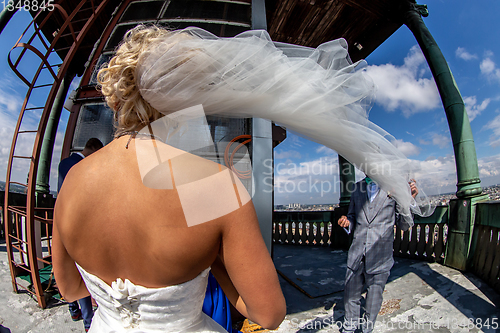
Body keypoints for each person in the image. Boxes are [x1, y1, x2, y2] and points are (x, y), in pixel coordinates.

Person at [53, 26, 286, 333]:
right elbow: (268, 315)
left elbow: (69, 289)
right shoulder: (214, 185)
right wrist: (213, 260)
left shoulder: (73, 180)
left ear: (119, 94)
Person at [337, 177, 418, 333]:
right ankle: (349, 327)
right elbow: (353, 215)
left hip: (381, 255)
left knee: (373, 299)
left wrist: (409, 202)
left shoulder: (393, 186)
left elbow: (404, 225)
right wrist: (348, 221)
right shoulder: (357, 187)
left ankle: (367, 329)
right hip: (356, 253)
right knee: (350, 296)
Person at [57, 137, 103, 332]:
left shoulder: (64, 164)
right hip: (79, 226)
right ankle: (87, 323)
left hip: (61, 225)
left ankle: (73, 308)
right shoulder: (82, 167)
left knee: (66, 267)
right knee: (80, 273)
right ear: (92, 150)